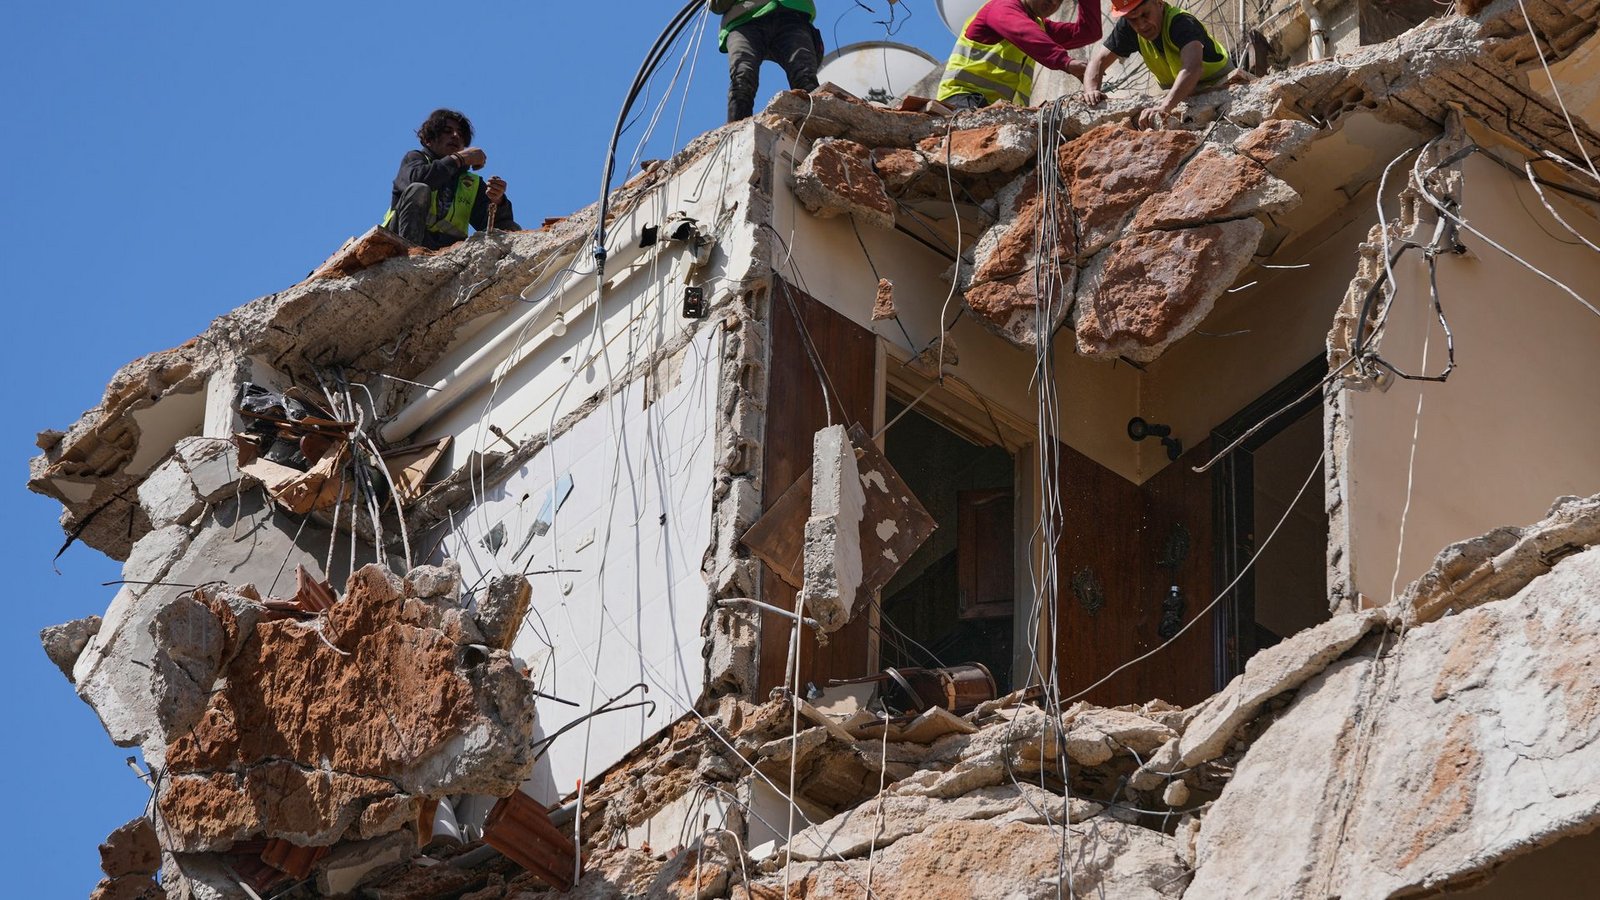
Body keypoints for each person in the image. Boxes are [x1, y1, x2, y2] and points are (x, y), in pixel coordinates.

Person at [1081, 0, 1232, 129]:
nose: (1141, 25)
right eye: (1132, 19)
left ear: (1159, 3)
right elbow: (1098, 61)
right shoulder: (1127, 28)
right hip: (1181, 98)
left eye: (1145, 15)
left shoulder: (1181, 23)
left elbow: (1192, 68)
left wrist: (1164, 107)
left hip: (1223, 88)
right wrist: (1091, 91)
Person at [383, 109, 519, 250]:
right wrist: (459, 158)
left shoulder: (471, 183)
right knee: (419, 189)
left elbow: (500, 224)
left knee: (510, 228)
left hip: (446, 250)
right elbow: (419, 180)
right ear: (428, 140)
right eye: (447, 131)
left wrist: (498, 200)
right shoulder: (415, 159)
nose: (455, 136)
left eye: (460, 134)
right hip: (401, 241)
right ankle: (409, 254)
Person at [936, 0, 1103, 111]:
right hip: (964, 99)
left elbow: (1089, 32)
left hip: (1001, 110)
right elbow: (1023, 31)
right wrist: (1066, 62)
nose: (1053, 3)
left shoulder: (1039, 26)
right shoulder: (1001, 6)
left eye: (1059, 0)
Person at [712, 0, 823, 122]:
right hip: (743, 21)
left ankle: (817, 125)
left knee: (805, 75)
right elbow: (717, 5)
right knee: (742, 79)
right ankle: (736, 133)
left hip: (792, 15)